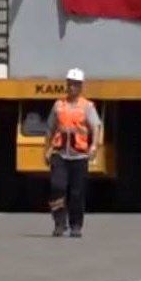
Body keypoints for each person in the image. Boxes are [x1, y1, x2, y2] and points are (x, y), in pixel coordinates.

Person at [42, 67, 101, 238]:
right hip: (60, 154)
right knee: (57, 188)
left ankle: (76, 225)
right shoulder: (58, 105)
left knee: (77, 192)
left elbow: (95, 126)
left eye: (75, 84)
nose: (72, 87)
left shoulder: (87, 106)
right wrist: (46, 150)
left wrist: (94, 146)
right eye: (70, 84)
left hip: (79, 156)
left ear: (81, 86)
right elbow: (50, 129)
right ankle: (59, 223)